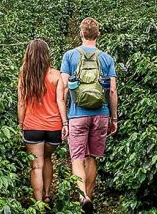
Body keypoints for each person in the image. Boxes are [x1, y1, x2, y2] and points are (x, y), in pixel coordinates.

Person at [59, 17, 118, 213]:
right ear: (98, 34)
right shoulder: (107, 58)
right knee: (92, 157)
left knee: (76, 158)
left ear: (81, 33)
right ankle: (90, 196)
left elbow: (64, 88)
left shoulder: (69, 56)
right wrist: (114, 117)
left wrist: (64, 119)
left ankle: (83, 197)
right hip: (101, 114)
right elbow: (112, 91)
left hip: (77, 115)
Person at [18, 39, 66, 204]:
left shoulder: (25, 74)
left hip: (32, 126)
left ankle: (38, 204)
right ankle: (47, 194)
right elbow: (60, 101)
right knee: (47, 159)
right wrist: (65, 124)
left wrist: (21, 124)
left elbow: (21, 103)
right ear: (47, 55)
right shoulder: (56, 75)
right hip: (53, 127)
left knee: (36, 166)